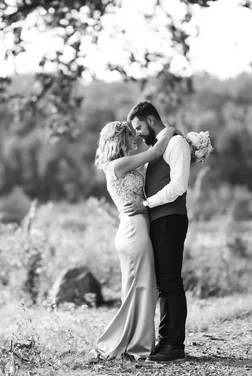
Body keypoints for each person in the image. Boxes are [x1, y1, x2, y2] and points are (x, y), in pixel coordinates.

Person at [91, 120, 176, 360]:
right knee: (141, 290)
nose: (135, 138)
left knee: (139, 290)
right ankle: (134, 345)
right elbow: (156, 152)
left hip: (135, 229)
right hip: (133, 232)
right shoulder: (118, 164)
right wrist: (172, 131)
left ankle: (132, 343)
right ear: (120, 139)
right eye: (131, 134)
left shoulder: (124, 166)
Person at [125, 101, 191, 362]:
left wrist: (145, 203)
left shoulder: (176, 144)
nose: (138, 133)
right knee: (164, 284)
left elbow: (179, 186)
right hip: (160, 221)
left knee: (171, 283)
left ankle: (175, 345)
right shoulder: (159, 147)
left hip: (171, 220)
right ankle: (165, 341)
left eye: (139, 127)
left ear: (151, 120)